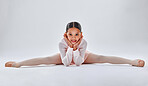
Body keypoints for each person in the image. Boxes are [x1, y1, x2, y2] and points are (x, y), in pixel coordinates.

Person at [5, 21, 145, 68]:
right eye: (70, 35)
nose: (73, 38)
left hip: (81, 57)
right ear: (65, 35)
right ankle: (19, 64)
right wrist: (70, 50)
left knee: (103, 57)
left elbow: (78, 63)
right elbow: (66, 63)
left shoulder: (83, 42)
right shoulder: (62, 43)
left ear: (81, 35)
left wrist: (76, 50)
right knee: (46, 60)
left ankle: (131, 61)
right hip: (65, 56)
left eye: (76, 34)